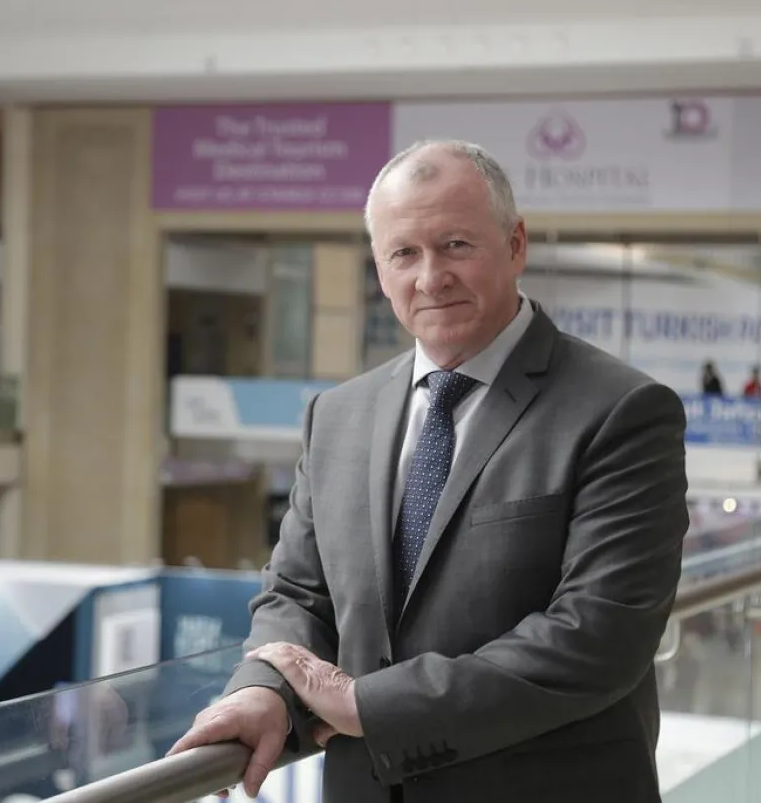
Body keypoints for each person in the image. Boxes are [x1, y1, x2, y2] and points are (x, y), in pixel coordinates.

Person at [170, 140, 690, 802]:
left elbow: (597, 636)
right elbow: (298, 595)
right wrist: (264, 689)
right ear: (381, 269)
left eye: (456, 245)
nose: (430, 277)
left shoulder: (621, 411)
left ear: (516, 244)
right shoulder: (337, 416)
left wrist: (368, 705)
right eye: (404, 253)